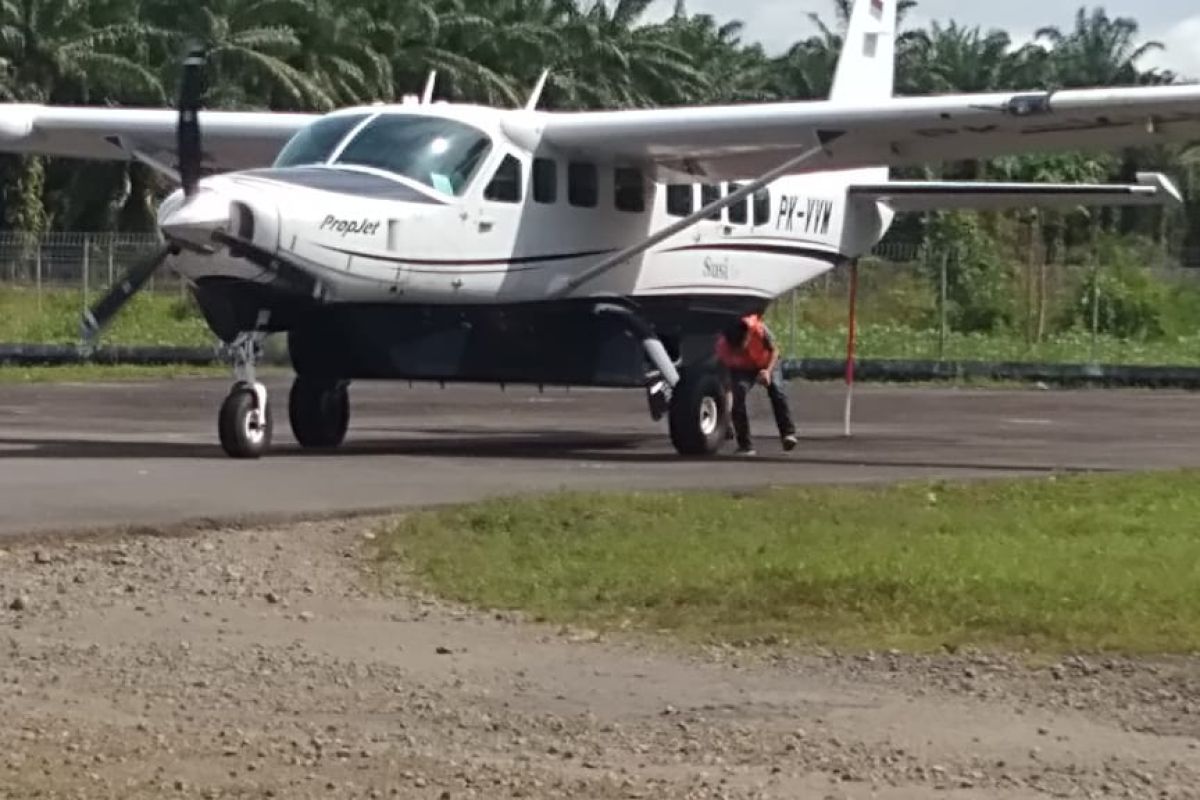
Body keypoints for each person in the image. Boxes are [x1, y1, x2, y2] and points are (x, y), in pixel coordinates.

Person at [715, 313, 797, 456]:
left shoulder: (759, 329)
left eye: (742, 344)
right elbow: (725, 379)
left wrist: (767, 371)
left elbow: (775, 351)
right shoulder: (722, 348)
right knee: (738, 396)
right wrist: (726, 409)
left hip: (766, 362)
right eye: (736, 348)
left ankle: (788, 433)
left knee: (777, 391)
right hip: (742, 369)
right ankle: (745, 445)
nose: (740, 350)